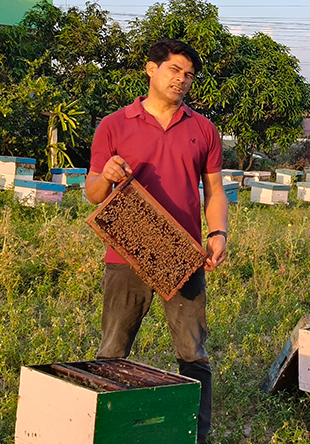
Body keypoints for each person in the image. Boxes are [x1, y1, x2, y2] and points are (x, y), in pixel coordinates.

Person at [84, 38, 228, 444]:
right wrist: (106, 177)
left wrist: (218, 233)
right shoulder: (115, 124)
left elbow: (215, 191)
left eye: (189, 75)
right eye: (174, 70)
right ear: (151, 69)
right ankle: (106, 429)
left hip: (183, 256)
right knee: (113, 347)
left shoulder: (203, 129)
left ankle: (197, 434)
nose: (181, 80)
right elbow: (92, 192)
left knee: (193, 352)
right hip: (125, 255)